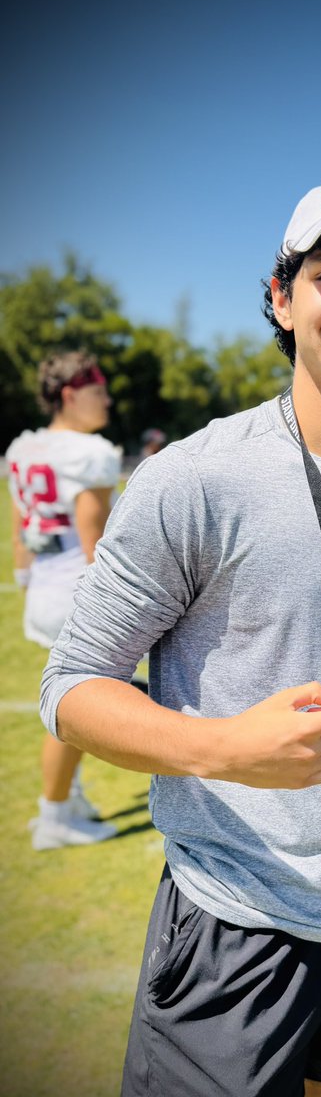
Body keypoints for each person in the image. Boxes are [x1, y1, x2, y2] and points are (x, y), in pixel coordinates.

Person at [40, 169, 321, 1097]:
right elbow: (71, 690)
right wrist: (225, 747)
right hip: (237, 916)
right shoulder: (193, 479)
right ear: (283, 298)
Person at [6, 351, 121, 849]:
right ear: (71, 395)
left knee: (65, 701)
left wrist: (27, 582)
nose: (108, 400)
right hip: (76, 589)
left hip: (42, 588)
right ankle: (54, 815)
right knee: (74, 711)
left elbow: (19, 533)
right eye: (99, 391)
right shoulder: (87, 451)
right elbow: (95, 541)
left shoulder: (25, 446)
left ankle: (66, 800)